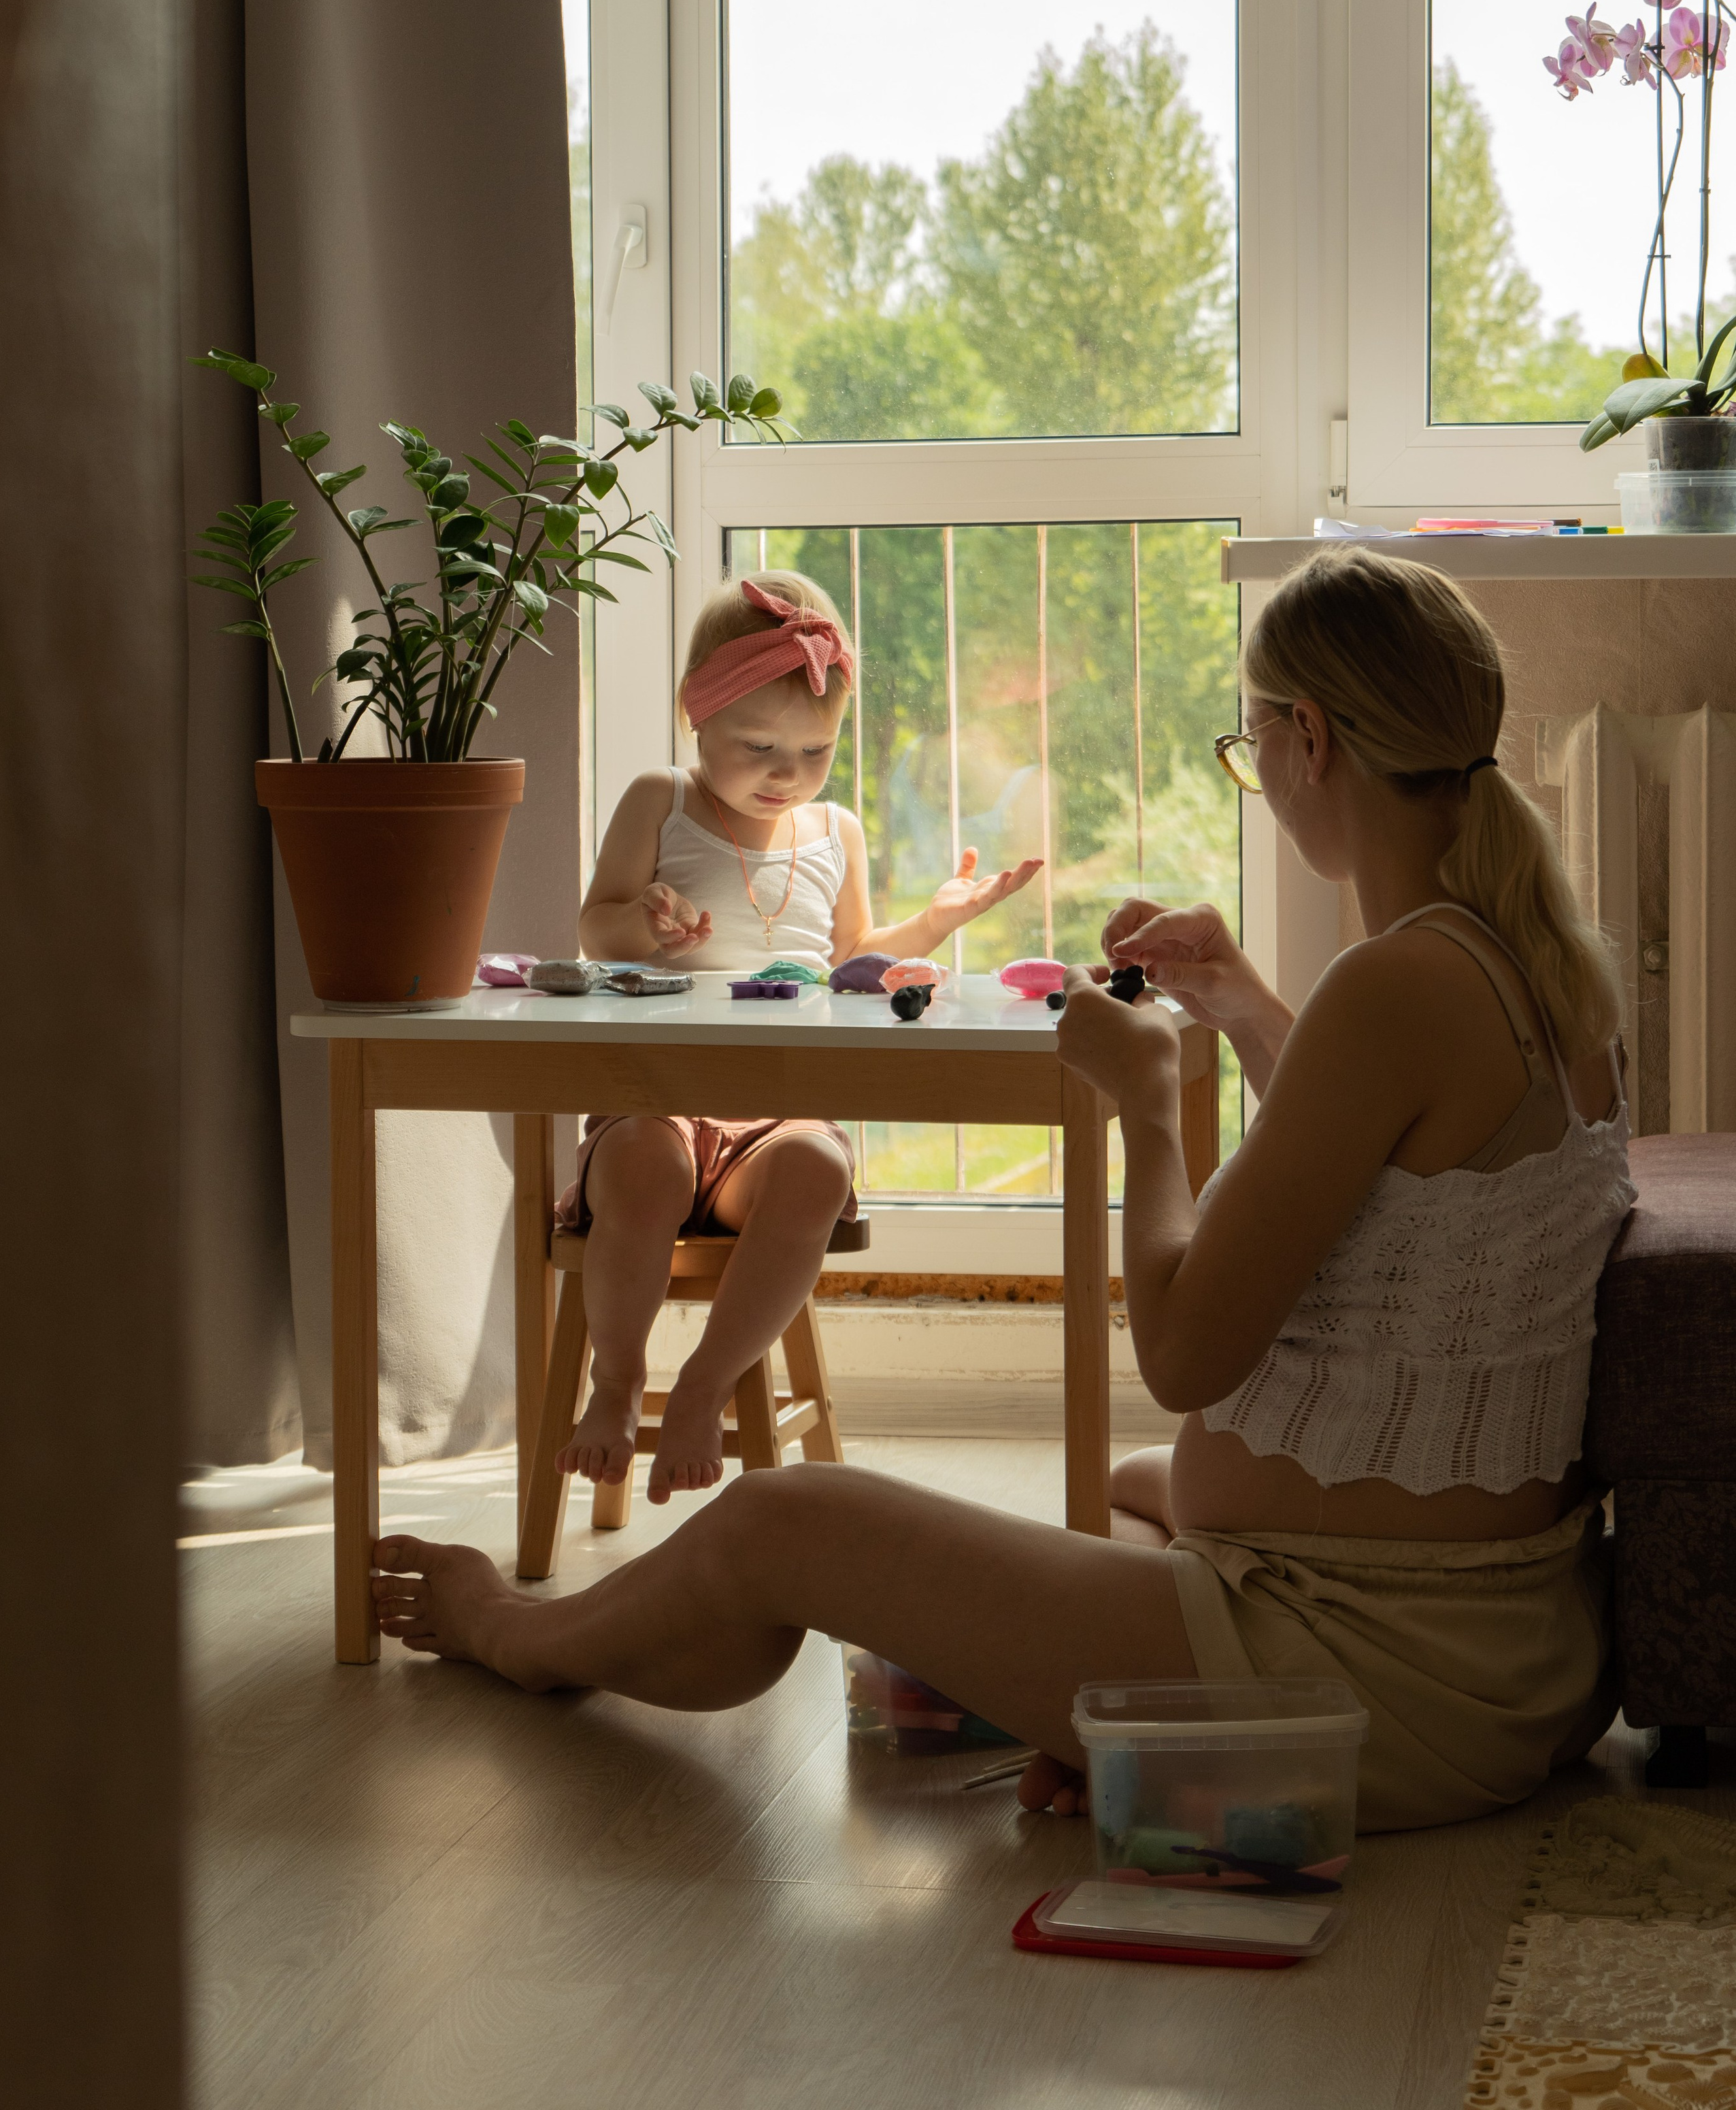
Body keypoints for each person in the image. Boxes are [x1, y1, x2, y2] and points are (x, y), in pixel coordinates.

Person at [372, 548, 1633, 1834]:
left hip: (1356, 1672)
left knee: (784, 1519)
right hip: (1519, 1650)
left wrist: (1149, 1111)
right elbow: (1399, 1173)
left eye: (1248, 749)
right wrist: (1248, 1006)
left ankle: (519, 1636)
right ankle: (1080, 1707)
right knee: (1154, 1483)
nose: (1257, 783)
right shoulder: (1537, 959)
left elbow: (1191, 1349)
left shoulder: (1394, 987)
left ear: (1308, 737)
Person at [552, 570, 1040, 1505]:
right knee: (648, 1171)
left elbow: (855, 957)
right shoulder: (664, 799)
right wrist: (647, 927)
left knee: (818, 1170)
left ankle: (705, 1386)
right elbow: (595, 925)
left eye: (814, 751)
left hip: (771, 1122)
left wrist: (934, 923)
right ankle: (616, 1382)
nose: (786, 772)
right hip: (655, 1103)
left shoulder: (834, 830)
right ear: (698, 719)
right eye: (759, 744)